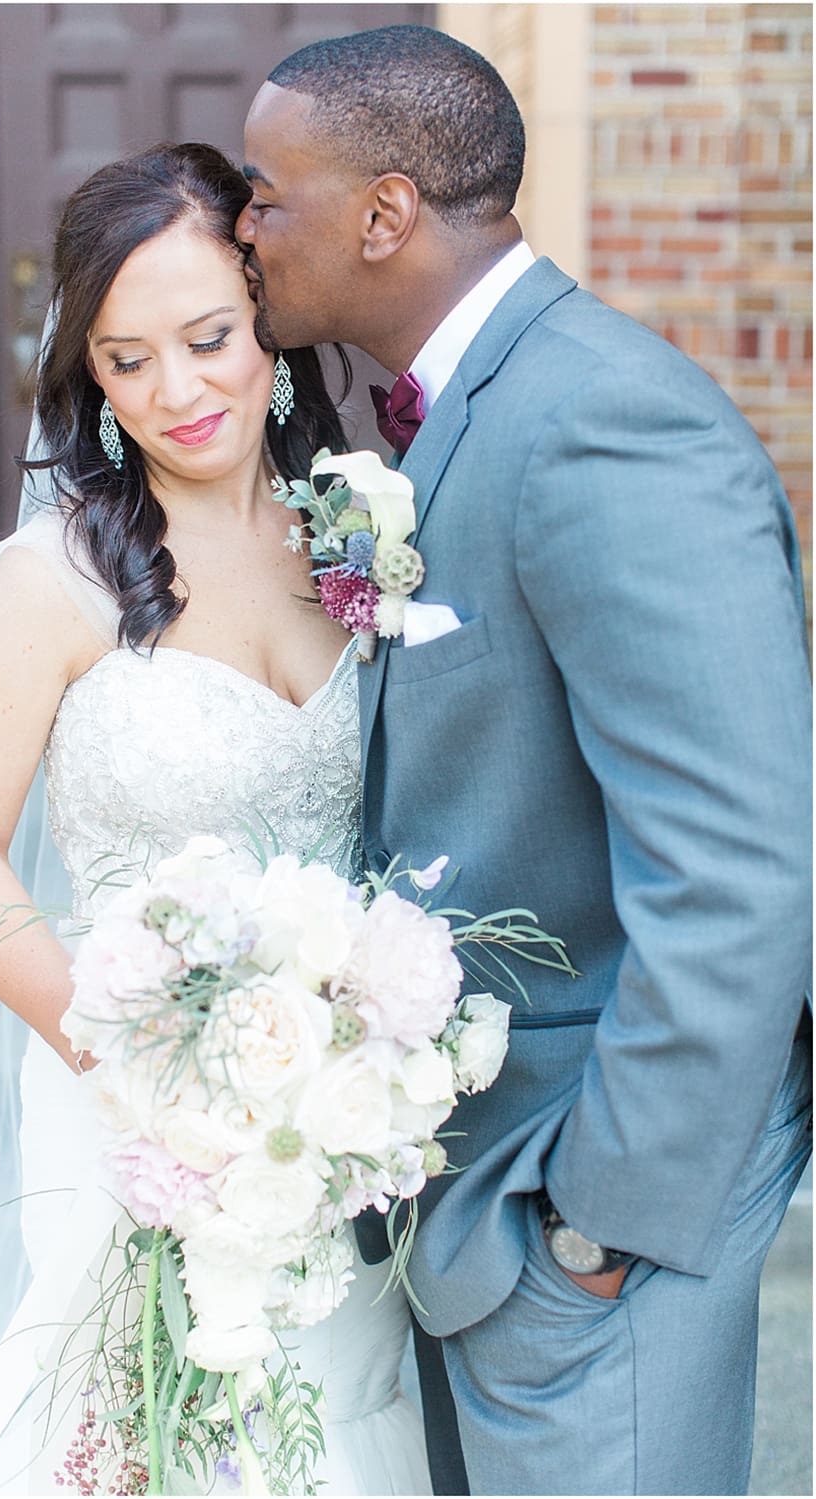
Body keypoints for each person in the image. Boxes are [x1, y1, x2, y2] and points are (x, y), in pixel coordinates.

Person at [236, 24, 812, 1495]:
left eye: (264, 192)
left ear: (385, 214)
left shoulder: (604, 419)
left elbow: (747, 863)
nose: (245, 228)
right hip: (467, 1190)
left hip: (580, 1214)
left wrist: (599, 1222)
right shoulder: (459, 411)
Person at [0, 142, 430, 1495]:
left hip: (332, 1106)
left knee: (332, 1406)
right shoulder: (49, 574)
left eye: (207, 339)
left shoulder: (355, 544)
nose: (176, 391)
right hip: (125, 1100)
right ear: (93, 376)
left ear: (272, 324)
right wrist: (127, 1050)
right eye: (128, 361)